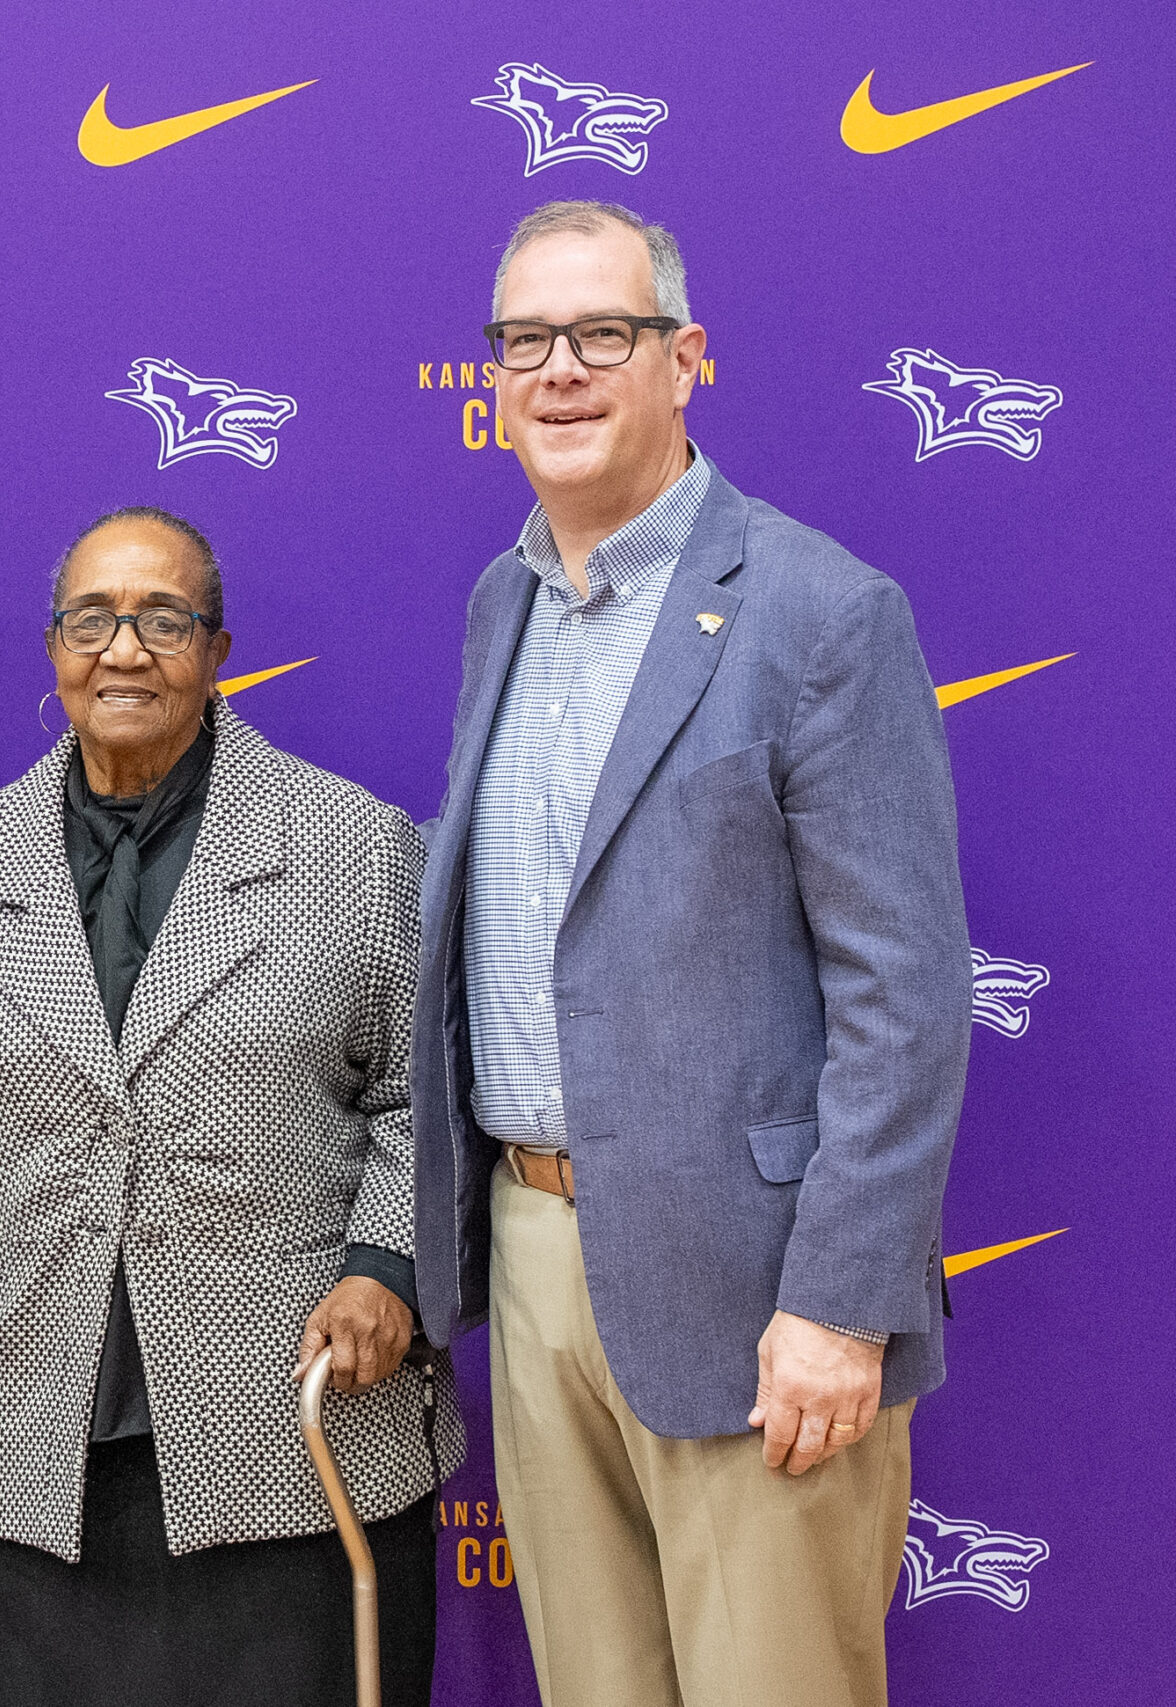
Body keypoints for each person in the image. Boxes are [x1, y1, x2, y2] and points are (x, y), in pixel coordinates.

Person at [411, 200, 971, 1707]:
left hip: (757, 1290)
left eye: (606, 333)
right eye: (527, 340)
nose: (562, 370)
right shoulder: (500, 603)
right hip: (535, 1253)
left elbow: (905, 997)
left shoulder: (819, 611)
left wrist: (844, 1301)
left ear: (685, 359)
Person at [0, 507, 462, 1707]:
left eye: (163, 620)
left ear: (219, 646)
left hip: (290, 1434)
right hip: (14, 1433)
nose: (124, 650)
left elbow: (424, 1095)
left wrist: (387, 1267)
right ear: (51, 649)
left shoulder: (353, 848)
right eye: (92, 620)